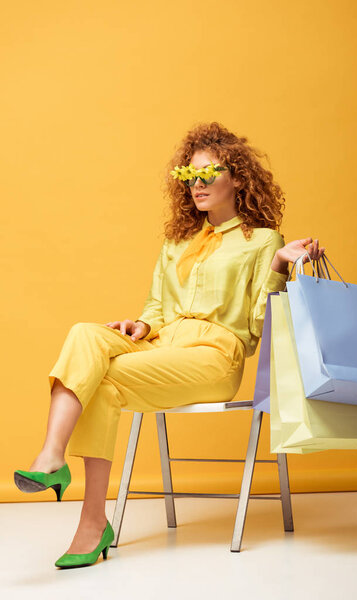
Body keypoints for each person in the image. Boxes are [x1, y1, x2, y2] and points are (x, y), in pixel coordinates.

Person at [14, 121, 325, 568]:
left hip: (215, 356)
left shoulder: (262, 242)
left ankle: (87, 520)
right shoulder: (177, 241)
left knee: (101, 381)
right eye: (189, 176)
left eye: (208, 174)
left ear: (237, 178)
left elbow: (259, 327)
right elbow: (156, 308)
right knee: (85, 333)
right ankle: (56, 465)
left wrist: (279, 264)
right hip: (162, 346)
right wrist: (139, 325)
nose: (197, 185)